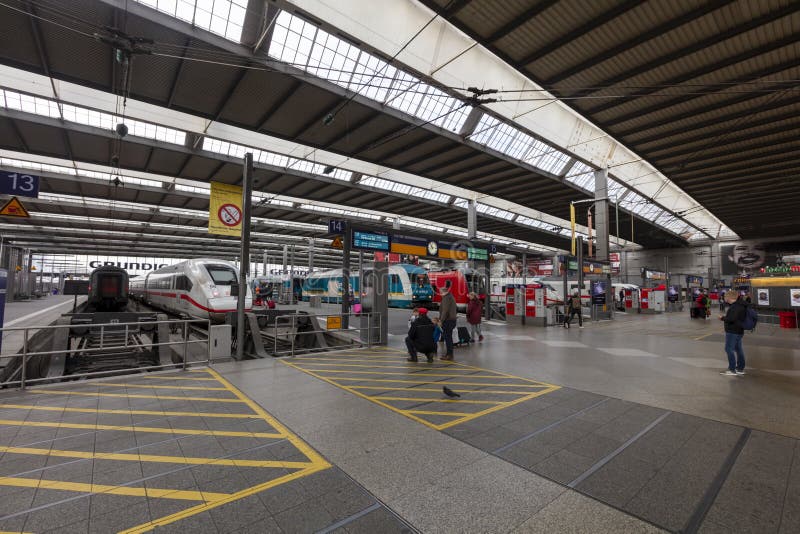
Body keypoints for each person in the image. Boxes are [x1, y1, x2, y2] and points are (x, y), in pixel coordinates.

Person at [719, 290, 747, 376]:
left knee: (729, 349)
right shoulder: (741, 305)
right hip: (739, 331)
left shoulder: (735, 307)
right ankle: (740, 369)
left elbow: (731, 319)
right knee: (739, 350)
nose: (724, 298)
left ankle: (732, 369)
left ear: (730, 298)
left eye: (725, 297)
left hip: (732, 331)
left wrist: (722, 318)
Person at [439, 282, 457, 360]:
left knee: (448, 339)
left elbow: (445, 310)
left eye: (440, 292)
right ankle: (449, 354)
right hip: (452, 320)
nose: (440, 294)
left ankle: (449, 355)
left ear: (443, 291)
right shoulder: (451, 296)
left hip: (448, 321)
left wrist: (441, 320)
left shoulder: (446, 298)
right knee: (449, 338)